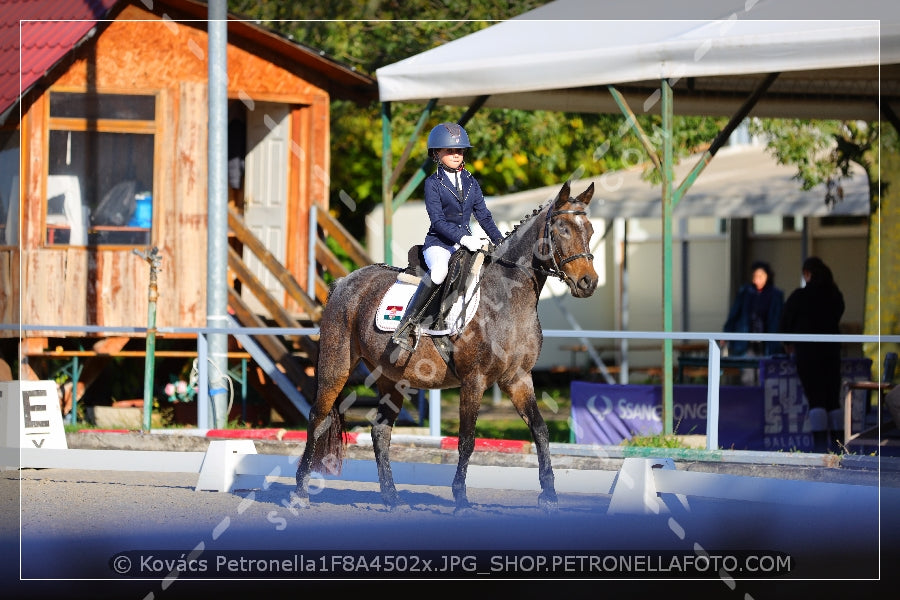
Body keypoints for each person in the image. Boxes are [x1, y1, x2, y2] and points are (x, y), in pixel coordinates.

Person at [391, 122, 504, 353]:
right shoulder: (433, 184)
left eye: (460, 151)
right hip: (440, 244)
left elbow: (483, 215)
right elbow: (438, 222)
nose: (456, 155)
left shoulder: (472, 183)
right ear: (436, 153)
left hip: (466, 244)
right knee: (440, 271)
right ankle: (407, 324)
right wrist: (464, 238)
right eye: (450, 151)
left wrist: (501, 241)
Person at [780, 256, 845, 449]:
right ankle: (839, 445)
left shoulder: (799, 296)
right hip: (832, 353)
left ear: (807, 274)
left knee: (816, 398)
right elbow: (838, 313)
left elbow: (784, 322)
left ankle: (819, 447)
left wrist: (787, 342)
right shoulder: (835, 295)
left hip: (808, 354)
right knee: (833, 399)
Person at [722, 261, 784, 384]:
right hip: (747, 339)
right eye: (755, 276)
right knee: (748, 374)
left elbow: (779, 317)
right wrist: (726, 332)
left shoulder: (776, 294)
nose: (757, 279)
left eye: (761, 276)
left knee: (766, 373)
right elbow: (735, 313)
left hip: (768, 341)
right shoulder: (746, 292)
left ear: (768, 276)